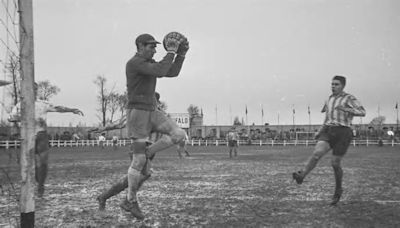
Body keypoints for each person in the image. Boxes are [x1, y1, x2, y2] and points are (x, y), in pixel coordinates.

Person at [119, 33, 189, 219]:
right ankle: (130, 200)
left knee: (179, 134)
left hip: (152, 111)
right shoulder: (134, 63)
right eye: (151, 46)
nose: (155, 49)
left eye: (155, 46)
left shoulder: (149, 64)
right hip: (138, 113)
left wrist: (181, 55)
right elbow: (160, 70)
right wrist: (172, 51)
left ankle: (148, 152)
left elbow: (171, 72)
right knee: (138, 162)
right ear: (140, 46)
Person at [292, 75, 366, 206]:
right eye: (332, 84)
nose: (333, 86)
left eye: (336, 84)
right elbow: (327, 119)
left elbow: (362, 112)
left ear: (343, 86)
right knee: (316, 154)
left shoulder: (349, 98)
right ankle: (301, 175)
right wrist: (319, 131)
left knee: (335, 163)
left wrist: (347, 109)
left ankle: (338, 190)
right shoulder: (329, 99)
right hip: (329, 130)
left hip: (343, 132)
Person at [8, 83, 84, 197]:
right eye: (29, 89)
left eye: (34, 89)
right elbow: (10, 118)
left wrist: (72, 109)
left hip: (41, 135)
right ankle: (31, 184)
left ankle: (40, 185)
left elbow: (57, 108)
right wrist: (23, 117)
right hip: (28, 137)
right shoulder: (20, 105)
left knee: (43, 162)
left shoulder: (41, 104)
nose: (32, 91)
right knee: (29, 164)